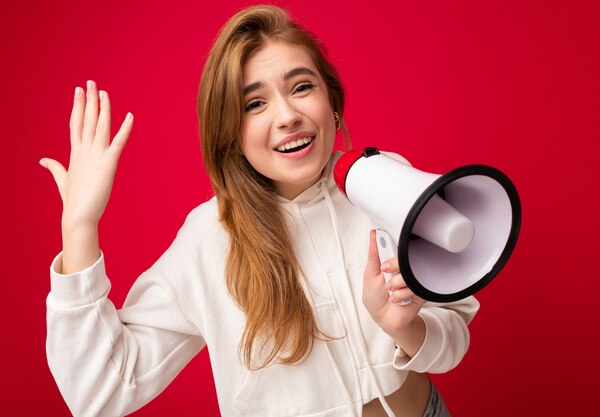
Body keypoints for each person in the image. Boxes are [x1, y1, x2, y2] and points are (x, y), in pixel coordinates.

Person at [41, 5, 479, 417]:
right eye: (255, 104)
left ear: (332, 101)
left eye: (302, 87)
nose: (287, 115)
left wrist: (402, 327)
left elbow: (452, 344)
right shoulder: (208, 238)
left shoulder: (386, 180)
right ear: (229, 131)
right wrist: (79, 225)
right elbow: (99, 392)